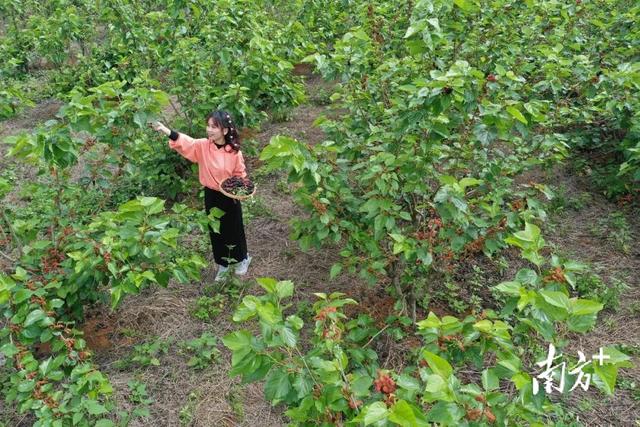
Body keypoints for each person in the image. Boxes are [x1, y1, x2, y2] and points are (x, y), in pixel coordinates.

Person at [151, 111, 252, 281]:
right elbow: (186, 142)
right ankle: (223, 264)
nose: (209, 130)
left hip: (230, 195)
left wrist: (241, 190)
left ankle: (242, 259)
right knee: (216, 230)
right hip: (212, 195)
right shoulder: (203, 146)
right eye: (209, 126)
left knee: (234, 228)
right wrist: (165, 130)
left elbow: (239, 174)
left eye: (214, 127)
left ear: (225, 131)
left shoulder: (234, 152)